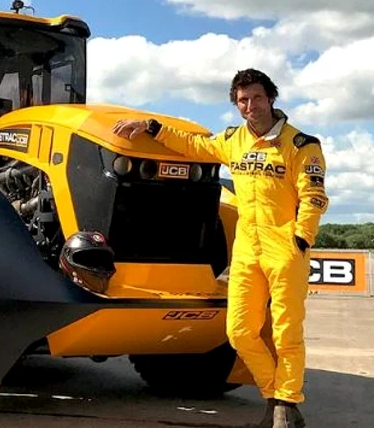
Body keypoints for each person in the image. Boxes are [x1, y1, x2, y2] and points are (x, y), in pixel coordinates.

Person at [112, 69, 328, 428]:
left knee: (286, 331)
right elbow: (193, 145)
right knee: (239, 331)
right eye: (243, 100)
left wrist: (300, 239)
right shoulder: (233, 141)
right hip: (246, 250)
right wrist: (150, 126)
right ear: (236, 104)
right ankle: (277, 396)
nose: (250, 106)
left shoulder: (301, 144)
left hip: (285, 247)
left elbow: (314, 197)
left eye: (257, 98)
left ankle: (285, 408)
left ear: (270, 98)